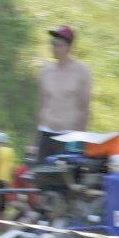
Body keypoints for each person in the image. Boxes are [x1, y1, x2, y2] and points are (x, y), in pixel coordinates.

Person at [37, 25, 91, 161]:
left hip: (69, 135)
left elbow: (84, 109)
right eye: (53, 44)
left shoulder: (81, 72)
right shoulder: (46, 71)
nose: (54, 48)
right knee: (41, 172)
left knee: (62, 173)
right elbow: (42, 105)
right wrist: (34, 139)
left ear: (70, 48)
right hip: (46, 133)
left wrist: (80, 140)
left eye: (59, 45)